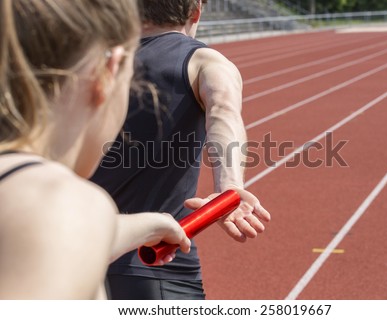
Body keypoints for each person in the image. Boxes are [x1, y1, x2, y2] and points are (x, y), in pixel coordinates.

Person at [0, 0, 190, 299]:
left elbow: (65, 240)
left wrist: (151, 225)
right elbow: (56, 225)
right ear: (107, 71)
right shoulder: (56, 201)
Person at [91, 0, 271, 300]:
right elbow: (224, 110)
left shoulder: (93, 62)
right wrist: (229, 188)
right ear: (196, 10)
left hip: (74, 254)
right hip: (155, 260)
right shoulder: (204, 61)